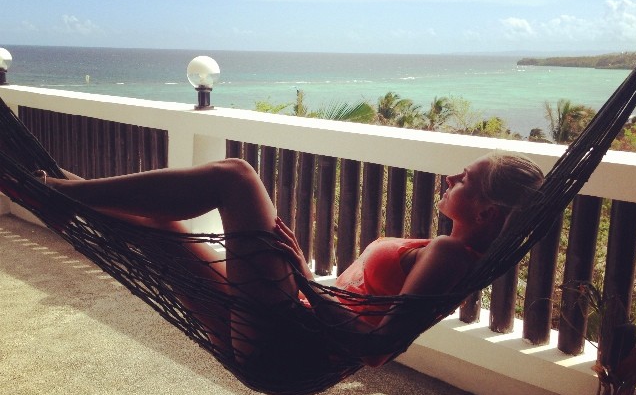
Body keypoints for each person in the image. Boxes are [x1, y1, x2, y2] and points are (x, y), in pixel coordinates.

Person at [31, 150, 543, 372]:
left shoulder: (451, 253)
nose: (450, 178)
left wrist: (300, 275)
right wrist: (305, 280)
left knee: (235, 176)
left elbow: (378, 347)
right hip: (288, 330)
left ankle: (55, 191)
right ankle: (58, 195)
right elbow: (367, 313)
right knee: (159, 228)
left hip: (288, 340)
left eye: (465, 179)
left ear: (486, 211)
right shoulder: (454, 254)